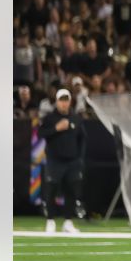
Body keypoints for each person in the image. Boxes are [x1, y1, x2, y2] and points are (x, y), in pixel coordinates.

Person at [38, 88, 84, 233]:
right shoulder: (49, 118)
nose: (64, 104)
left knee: (71, 190)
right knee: (51, 189)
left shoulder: (76, 118)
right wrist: (56, 128)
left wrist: (79, 157)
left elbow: (82, 138)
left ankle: (68, 222)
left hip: (72, 161)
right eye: (61, 100)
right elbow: (41, 134)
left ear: (70, 102)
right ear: (57, 102)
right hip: (54, 160)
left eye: (66, 100)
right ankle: (50, 221)